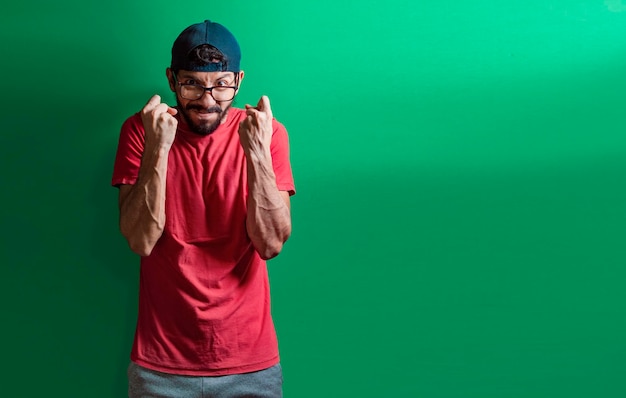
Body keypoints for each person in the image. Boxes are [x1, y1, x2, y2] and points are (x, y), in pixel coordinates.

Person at [111, 19, 295, 398]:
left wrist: (257, 153)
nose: (208, 99)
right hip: (161, 362)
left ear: (238, 80)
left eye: (221, 84)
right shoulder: (142, 131)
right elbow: (141, 240)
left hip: (249, 361)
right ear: (172, 79)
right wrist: (158, 150)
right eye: (192, 83)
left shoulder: (267, 132)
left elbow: (271, 244)